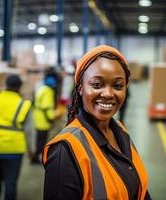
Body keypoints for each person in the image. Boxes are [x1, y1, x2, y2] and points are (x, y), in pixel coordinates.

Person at [42, 45, 152, 200]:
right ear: (80, 88)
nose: (108, 94)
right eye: (96, 84)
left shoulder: (120, 131)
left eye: (118, 85)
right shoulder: (65, 150)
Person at [0, 74, 34, 200]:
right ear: (19, 87)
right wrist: (31, 149)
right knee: (10, 183)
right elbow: (29, 131)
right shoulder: (24, 105)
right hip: (13, 150)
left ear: (6, 84)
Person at [32, 68, 58, 164]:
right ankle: (37, 158)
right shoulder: (48, 92)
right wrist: (51, 118)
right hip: (43, 120)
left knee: (39, 139)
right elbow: (47, 107)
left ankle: (35, 157)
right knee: (42, 141)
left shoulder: (42, 89)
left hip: (38, 117)